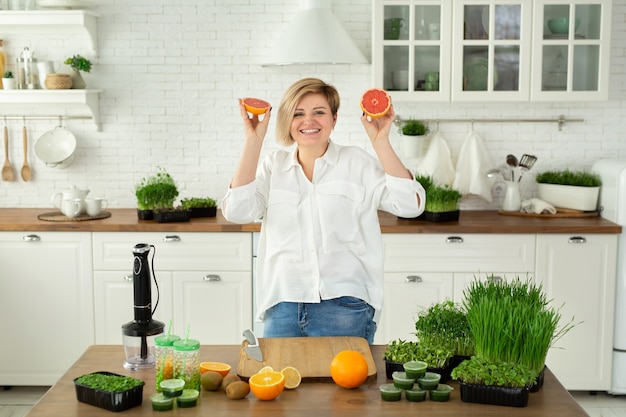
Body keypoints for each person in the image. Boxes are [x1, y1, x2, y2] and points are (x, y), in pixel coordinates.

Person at [221, 78, 425, 343]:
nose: (309, 121)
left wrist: (380, 140)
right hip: (282, 306)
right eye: (298, 113)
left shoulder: (357, 163)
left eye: (319, 112)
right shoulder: (273, 166)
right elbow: (236, 211)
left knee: (345, 385)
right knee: (280, 384)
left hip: (345, 307)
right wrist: (253, 140)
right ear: (287, 120)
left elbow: (411, 205)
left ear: (334, 119)